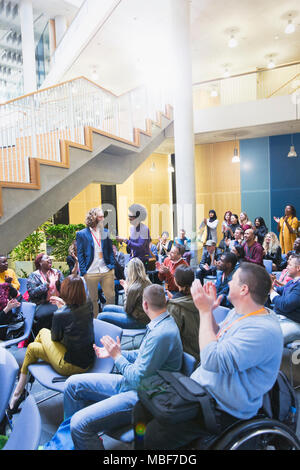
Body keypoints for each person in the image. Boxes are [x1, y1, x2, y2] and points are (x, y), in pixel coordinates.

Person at [134, 263, 283, 450]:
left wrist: (203, 311)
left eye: (233, 280)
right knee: (142, 408)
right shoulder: (239, 313)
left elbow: (212, 360)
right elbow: (217, 335)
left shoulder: (263, 330)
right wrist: (210, 311)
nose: (228, 283)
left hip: (223, 409)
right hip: (201, 393)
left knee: (155, 435)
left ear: (244, 289)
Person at [60, 284, 183, 450]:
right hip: (133, 383)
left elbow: (136, 379)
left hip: (144, 395)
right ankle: (74, 443)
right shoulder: (160, 324)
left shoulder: (162, 333)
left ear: (145, 305)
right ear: (165, 301)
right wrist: (116, 353)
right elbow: (141, 355)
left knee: (79, 424)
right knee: (72, 385)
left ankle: (82, 438)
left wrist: (117, 356)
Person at [8, 276, 95, 416]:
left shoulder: (61, 314)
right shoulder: (88, 304)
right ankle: (18, 393)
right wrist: (64, 306)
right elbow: (74, 317)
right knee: (33, 348)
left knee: (40, 335)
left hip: (69, 365)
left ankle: (18, 392)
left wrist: (61, 310)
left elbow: (55, 338)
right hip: (89, 360)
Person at [76, 207, 115, 317]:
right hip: (91, 271)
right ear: (93, 218)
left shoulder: (106, 232)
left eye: (103, 216)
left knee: (111, 297)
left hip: (106, 270)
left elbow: (110, 250)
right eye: (100, 217)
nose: (103, 219)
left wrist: (111, 266)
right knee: (93, 300)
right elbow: (80, 254)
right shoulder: (82, 234)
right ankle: (96, 322)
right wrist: (84, 271)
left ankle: (111, 319)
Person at [99, 257, 152, 329]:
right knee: (106, 308)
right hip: (144, 316)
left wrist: (126, 291)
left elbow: (127, 309)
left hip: (138, 320)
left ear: (130, 271)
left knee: (101, 316)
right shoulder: (148, 282)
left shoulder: (134, 288)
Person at [167, 265, 199, 362]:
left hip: (185, 355)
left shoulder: (175, 306)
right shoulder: (201, 300)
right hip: (202, 349)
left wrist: (173, 302)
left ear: (175, 281)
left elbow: (172, 337)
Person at [27, 253, 64, 335]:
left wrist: (58, 283)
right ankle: (44, 336)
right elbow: (32, 293)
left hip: (58, 301)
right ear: (40, 262)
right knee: (45, 315)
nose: (49, 259)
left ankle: (60, 336)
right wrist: (46, 284)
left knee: (67, 311)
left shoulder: (57, 272)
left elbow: (65, 290)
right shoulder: (34, 276)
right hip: (42, 303)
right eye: (47, 258)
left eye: (50, 258)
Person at [270, 254, 300, 325]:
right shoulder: (292, 281)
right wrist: (269, 286)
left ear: (298, 268)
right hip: (281, 317)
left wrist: (271, 291)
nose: (286, 267)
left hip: (291, 321)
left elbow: (285, 305)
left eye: (289, 265)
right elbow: (280, 290)